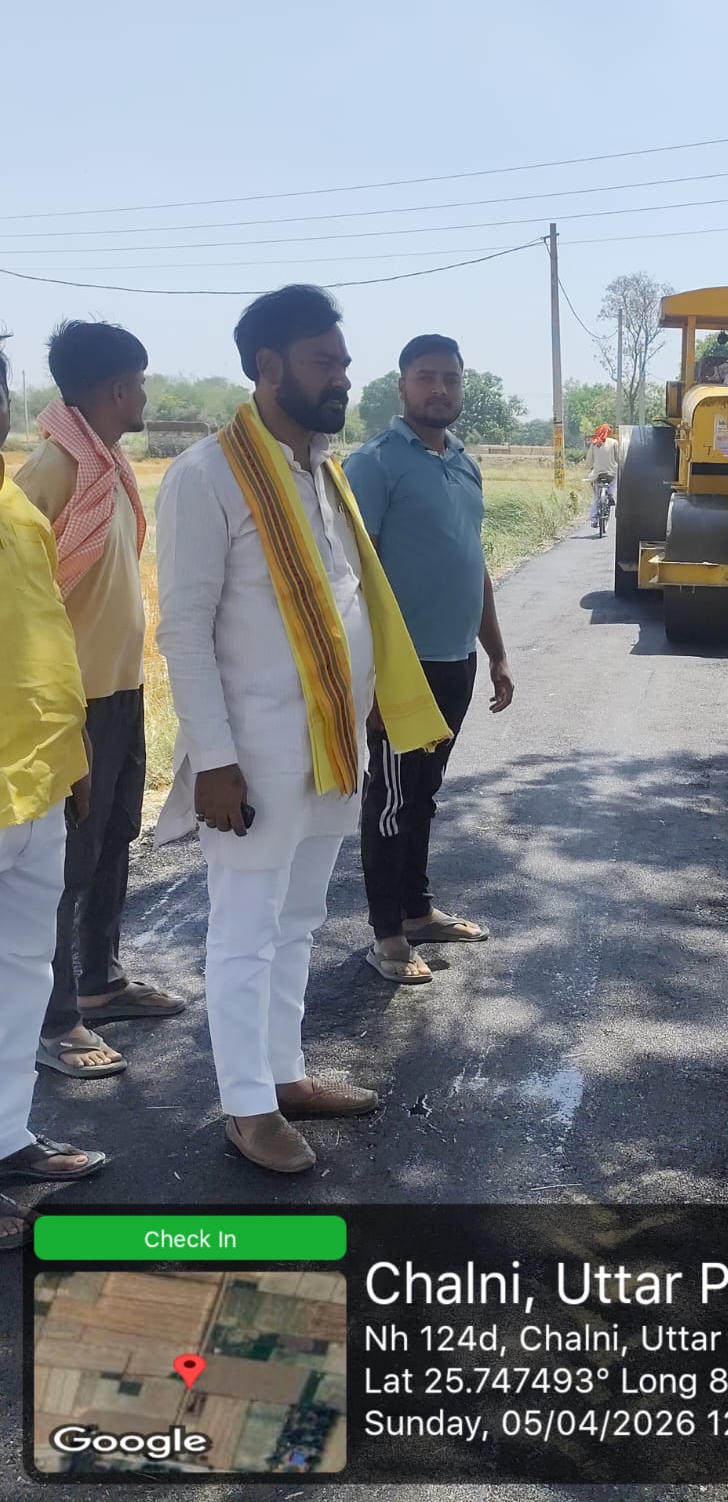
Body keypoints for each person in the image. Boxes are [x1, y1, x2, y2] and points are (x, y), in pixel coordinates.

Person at [154, 288, 449, 1173]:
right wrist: (215, 760)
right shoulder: (206, 475)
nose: (342, 379)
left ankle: (283, 1073)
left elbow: (347, 601)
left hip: (330, 745)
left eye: (344, 363)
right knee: (245, 929)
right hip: (251, 757)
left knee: (299, 919)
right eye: (325, 363)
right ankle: (247, 1106)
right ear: (268, 366)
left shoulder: (324, 472)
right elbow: (184, 631)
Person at [16, 321, 184, 1082]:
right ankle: (54, 1021)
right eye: (140, 384)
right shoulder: (54, 470)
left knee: (115, 837)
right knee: (62, 864)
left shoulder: (105, 464)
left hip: (120, 690)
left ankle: (101, 981)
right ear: (118, 388)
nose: (145, 396)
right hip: (71, 706)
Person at [344, 334, 515, 986]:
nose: (439, 389)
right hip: (400, 668)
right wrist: (371, 676)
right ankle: (387, 935)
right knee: (391, 799)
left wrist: (496, 653)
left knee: (423, 794)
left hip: (455, 661)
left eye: (450, 378)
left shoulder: (465, 463)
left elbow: (474, 564)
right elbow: (355, 576)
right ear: (402, 386)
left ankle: (416, 912)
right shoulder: (375, 464)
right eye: (425, 376)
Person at [0, 336, 105, 1249]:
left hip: (36, 777)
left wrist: (72, 753)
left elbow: (44, 641)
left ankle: (7, 1141)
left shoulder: (14, 505)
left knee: (22, 974)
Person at [585, 422, 619, 528]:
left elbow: (589, 459)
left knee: (596, 496)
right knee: (614, 482)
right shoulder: (614, 442)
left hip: (598, 473)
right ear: (609, 432)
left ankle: (594, 519)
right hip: (611, 472)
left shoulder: (595, 443)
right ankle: (611, 494)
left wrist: (589, 466)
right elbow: (618, 458)